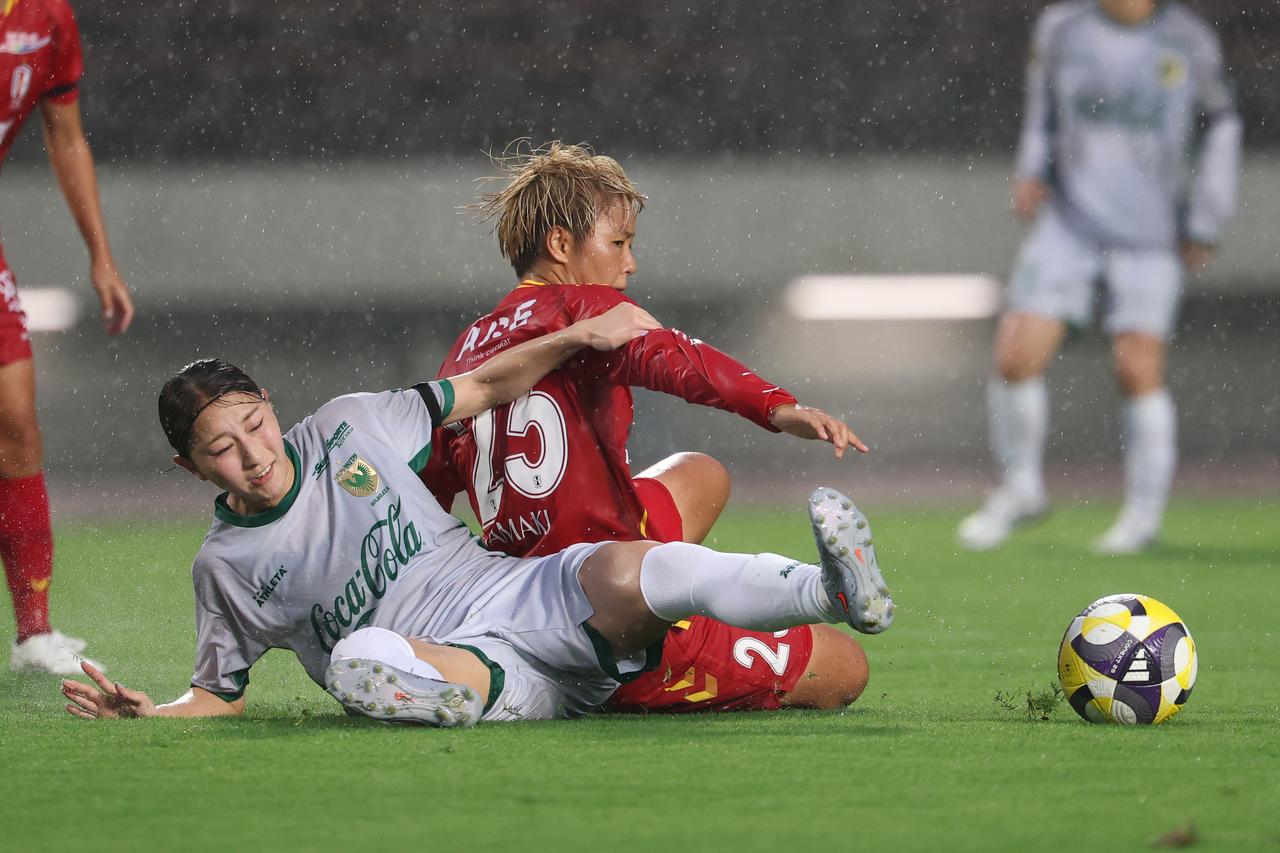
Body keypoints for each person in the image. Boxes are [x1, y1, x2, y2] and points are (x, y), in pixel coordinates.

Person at [58, 310, 894, 725]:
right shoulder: (225, 567)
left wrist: (581, 332)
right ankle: (454, 692)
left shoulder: (354, 422)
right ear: (191, 466)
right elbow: (218, 692)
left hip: (508, 591)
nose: (253, 453)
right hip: (459, 656)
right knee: (360, 657)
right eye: (222, 448)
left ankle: (828, 591)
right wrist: (152, 712)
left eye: (254, 423)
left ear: (269, 404)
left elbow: (488, 385)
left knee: (626, 563)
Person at [423, 142, 872, 713]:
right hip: (598, 602)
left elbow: (432, 491)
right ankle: (631, 657)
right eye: (618, 243)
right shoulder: (585, 310)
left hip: (513, 586)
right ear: (560, 244)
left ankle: (668, 590)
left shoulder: (464, 350)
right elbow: (673, 357)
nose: (630, 263)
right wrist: (776, 408)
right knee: (845, 667)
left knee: (701, 474)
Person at [957, 0, 1241, 554]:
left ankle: (1142, 518)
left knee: (1137, 368)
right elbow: (1042, 110)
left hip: (1150, 232)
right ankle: (1021, 489)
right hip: (1068, 224)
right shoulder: (1063, 28)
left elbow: (1222, 122)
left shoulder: (1187, 39)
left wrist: (1208, 215)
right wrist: (1031, 170)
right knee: (1015, 354)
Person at [2, 0, 134, 672]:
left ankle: (34, 633)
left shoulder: (48, 17)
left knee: (16, 424)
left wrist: (100, 256)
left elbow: (66, 137)